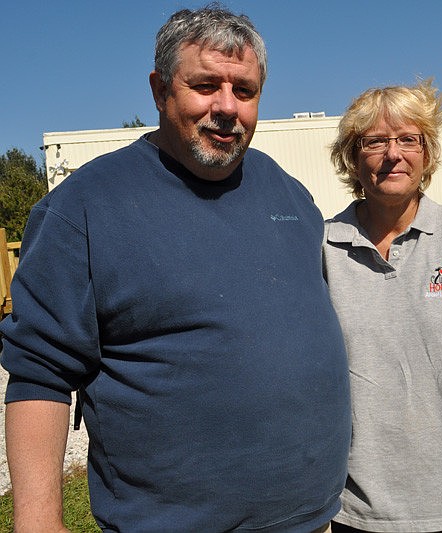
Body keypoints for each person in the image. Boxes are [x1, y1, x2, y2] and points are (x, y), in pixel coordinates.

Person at [1, 6, 350, 532]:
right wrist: (38, 521)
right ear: (159, 89)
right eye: (206, 85)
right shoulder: (84, 210)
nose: (228, 108)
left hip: (312, 521)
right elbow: (39, 375)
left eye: (246, 90)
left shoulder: (288, 194)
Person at [324, 80, 442, 533]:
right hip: (351, 506)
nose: (393, 153)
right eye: (374, 141)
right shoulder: (323, 248)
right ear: (352, 158)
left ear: (427, 154)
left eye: (408, 139)